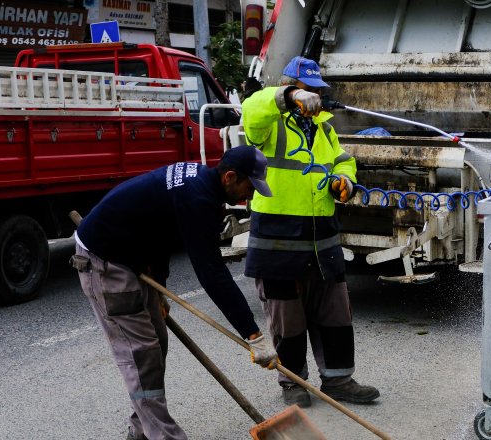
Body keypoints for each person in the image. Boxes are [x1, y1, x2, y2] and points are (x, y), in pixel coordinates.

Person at [71, 145, 281, 440]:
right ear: (230, 177)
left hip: (132, 255)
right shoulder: (198, 199)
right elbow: (212, 274)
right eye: (249, 187)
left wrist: (160, 290)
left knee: (156, 343)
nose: (250, 197)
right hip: (105, 263)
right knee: (142, 355)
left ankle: (141, 427)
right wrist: (253, 335)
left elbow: (161, 230)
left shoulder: (201, 182)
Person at [241, 56, 379, 408]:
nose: (315, 100)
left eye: (317, 92)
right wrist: (287, 97)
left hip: (322, 239)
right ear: (292, 90)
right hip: (279, 239)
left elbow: (343, 160)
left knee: (335, 313)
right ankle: (293, 383)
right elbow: (252, 109)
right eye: (308, 92)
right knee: (287, 320)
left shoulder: (326, 129)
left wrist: (345, 180)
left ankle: (339, 380)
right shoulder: (270, 125)